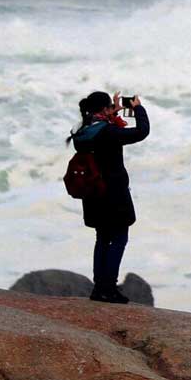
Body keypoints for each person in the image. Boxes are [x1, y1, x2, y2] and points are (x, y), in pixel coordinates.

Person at [67, 91, 150, 303]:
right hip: (113, 194)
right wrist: (138, 108)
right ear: (105, 109)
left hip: (93, 194)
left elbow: (103, 131)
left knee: (103, 238)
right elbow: (141, 132)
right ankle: (108, 287)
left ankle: (99, 288)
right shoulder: (109, 133)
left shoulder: (81, 132)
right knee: (120, 237)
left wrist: (111, 115)